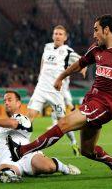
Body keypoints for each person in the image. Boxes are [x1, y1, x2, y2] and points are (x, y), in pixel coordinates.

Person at [7, 14, 112, 178]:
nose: (94, 34)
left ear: (106, 30)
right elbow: (80, 63)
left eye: (96, 30)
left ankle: (21, 151)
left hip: (105, 106)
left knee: (63, 122)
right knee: (87, 151)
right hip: (91, 100)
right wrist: (61, 77)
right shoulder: (96, 48)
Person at [0, 90, 81, 183]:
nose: (6, 102)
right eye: (4, 100)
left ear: (19, 103)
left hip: (27, 156)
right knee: (5, 171)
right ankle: (8, 173)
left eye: (9, 99)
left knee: (48, 167)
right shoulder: (0, 130)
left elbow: (13, 124)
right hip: (9, 160)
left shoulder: (23, 119)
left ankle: (65, 168)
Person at [27, 25, 85, 156]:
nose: (57, 36)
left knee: (62, 122)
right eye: (55, 33)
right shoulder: (47, 47)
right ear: (53, 35)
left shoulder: (68, 51)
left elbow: (81, 61)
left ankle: (73, 142)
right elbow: (43, 61)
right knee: (30, 116)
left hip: (56, 93)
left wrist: (83, 69)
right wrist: (41, 75)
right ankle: (25, 145)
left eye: (60, 34)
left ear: (65, 37)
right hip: (41, 89)